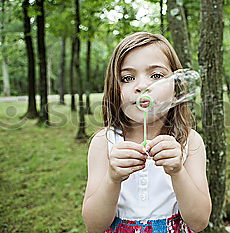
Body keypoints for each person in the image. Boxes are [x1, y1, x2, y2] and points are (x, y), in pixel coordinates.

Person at [82, 32, 211, 233]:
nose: (142, 86)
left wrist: (177, 172)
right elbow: (93, 226)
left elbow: (199, 221)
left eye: (157, 75)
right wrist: (112, 178)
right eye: (127, 78)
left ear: (176, 88)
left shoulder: (189, 142)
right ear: (114, 90)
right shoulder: (104, 142)